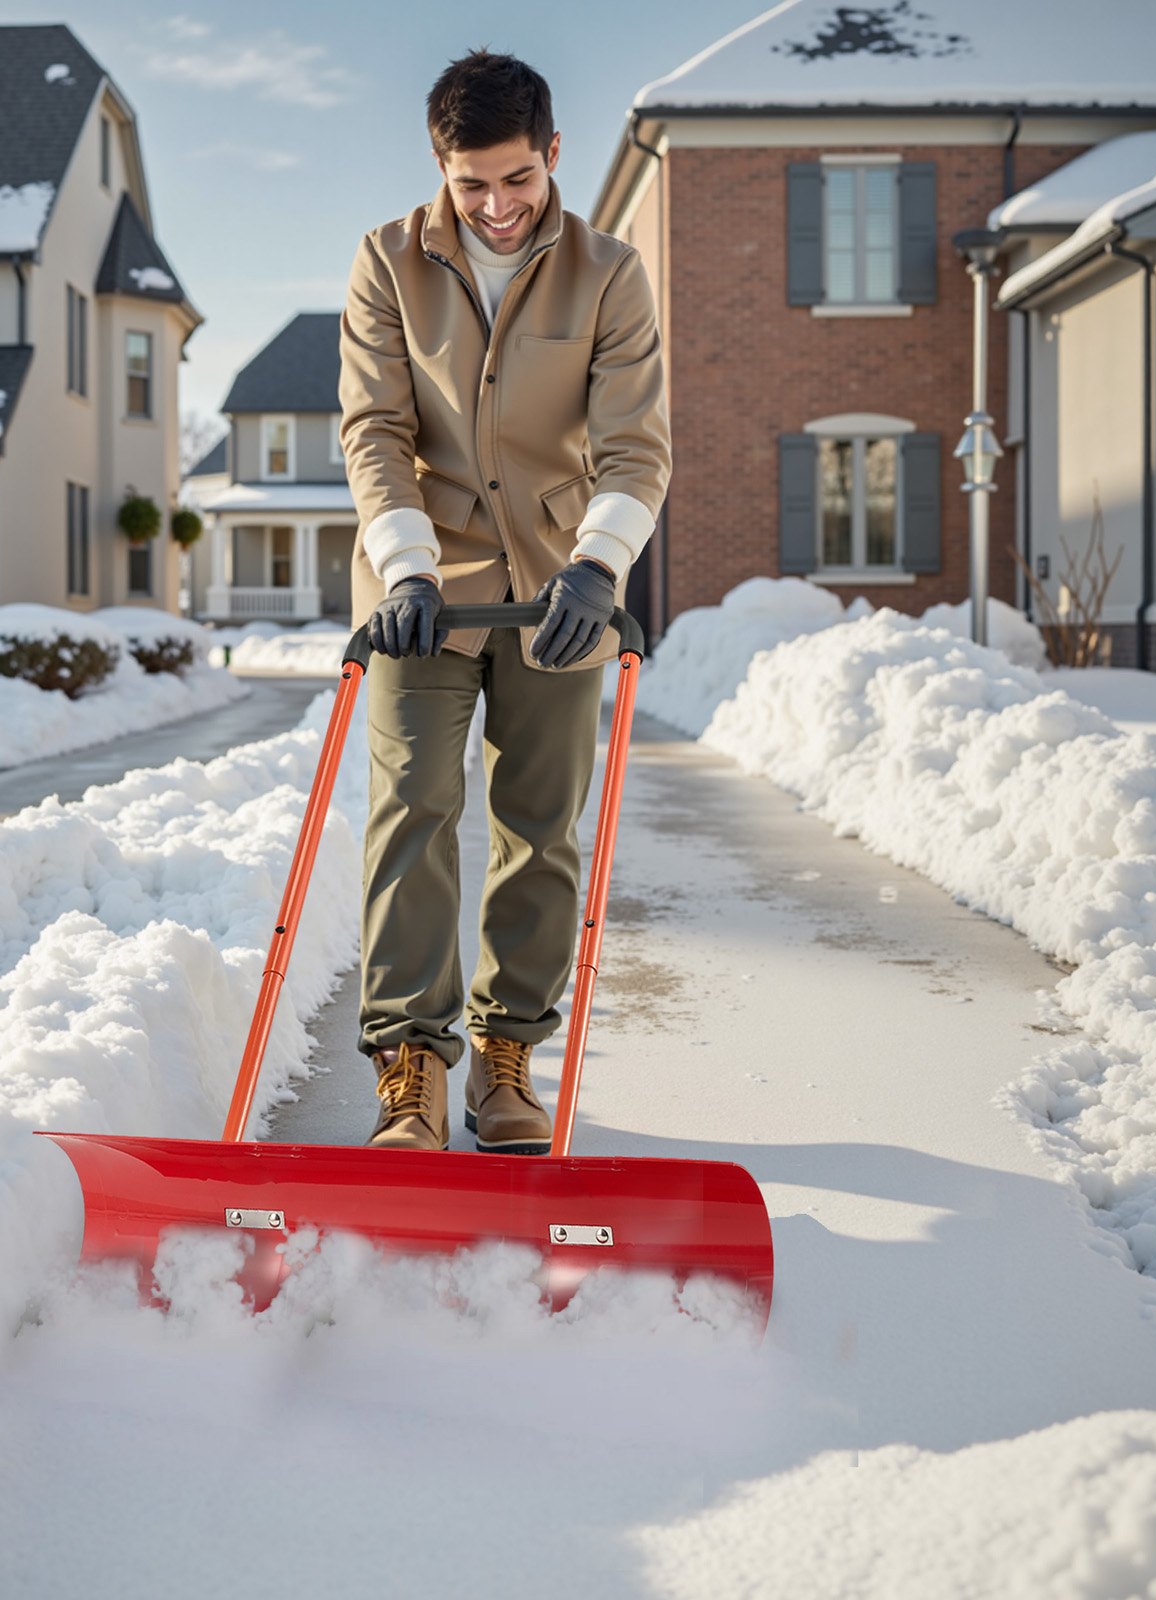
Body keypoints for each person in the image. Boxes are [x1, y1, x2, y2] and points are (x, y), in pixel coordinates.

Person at [338, 49, 670, 1153]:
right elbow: (374, 430)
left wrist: (598, 563)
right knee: (412, 815)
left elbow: (633, 448)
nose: (495, 207)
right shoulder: (386, 263)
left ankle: (507, 1059)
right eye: (471, 183)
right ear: (442, 166)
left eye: (516, 179)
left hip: (557, 595)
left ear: (552, 156)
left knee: (540, 829)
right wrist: (404, 564)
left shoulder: (609, 273)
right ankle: (409, 1070)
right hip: (418, 595)